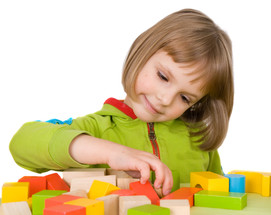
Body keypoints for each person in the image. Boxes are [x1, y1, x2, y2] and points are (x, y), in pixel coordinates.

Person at [9, 9, 234, 196]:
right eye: (163, 77)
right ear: (142, 53)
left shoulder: (199, 142)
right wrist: (110, 153)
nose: (165, 99)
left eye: (185, 98)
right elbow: (22, 143)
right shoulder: (95, 129)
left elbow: (221, 203)